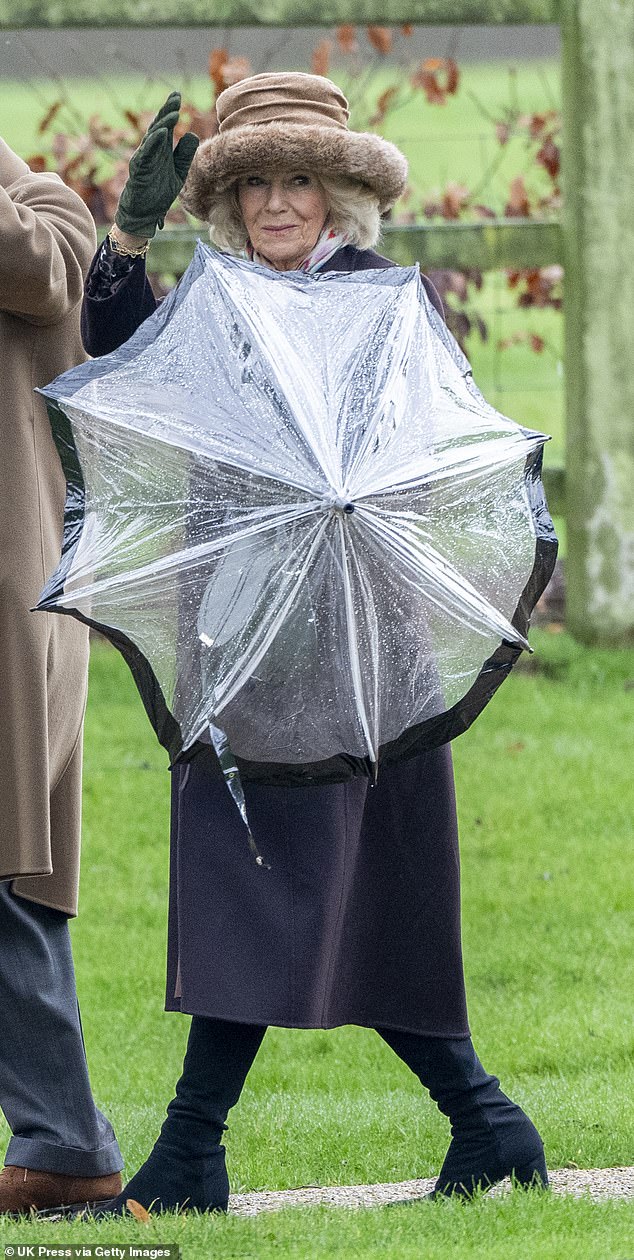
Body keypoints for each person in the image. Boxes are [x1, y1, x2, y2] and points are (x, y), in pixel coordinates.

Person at [80, 76, 548, 1215]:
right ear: (228, 202)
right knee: (286, 876)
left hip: (353, 641)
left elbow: (436, 448)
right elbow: (111, 363)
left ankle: (196, 1151)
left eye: (296, 180)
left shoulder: (386, 300)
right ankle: (485, 1123)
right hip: (233, 633)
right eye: (251, 184)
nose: (276, 203)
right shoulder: (210, 299)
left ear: (338, 193)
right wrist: (126, 237)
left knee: (333, 880)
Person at [0, 138, 124, 1215]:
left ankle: (67, 1145)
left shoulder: (47, 215)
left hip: (9, 611)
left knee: (8, 875)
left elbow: (42, 268)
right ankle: (65, 1144)